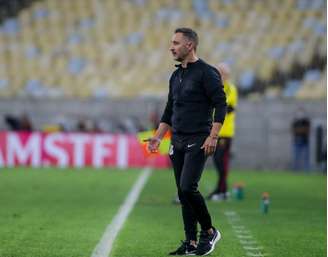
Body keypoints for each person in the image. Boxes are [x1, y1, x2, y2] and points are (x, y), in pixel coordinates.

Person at [145, 28, 226, 256]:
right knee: (183, 194)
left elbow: (221, 105)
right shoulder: (176, 75)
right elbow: (170, 110)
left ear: (190, 45)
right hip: (177, 140)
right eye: (171, 43)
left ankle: (209, 232)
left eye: (176, 43)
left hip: (198, 138)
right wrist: (158, 136)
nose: (171, 47)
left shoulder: (207, 73)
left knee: (187, 187)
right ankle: (190, 242)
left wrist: (213, 135)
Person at [207, 63, 238, 201]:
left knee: (220, 160)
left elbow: (226, 106)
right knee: (218, 160)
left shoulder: (230, 88)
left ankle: (222, 190)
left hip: (225, 132)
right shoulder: (215, 87)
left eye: (221, 73)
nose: (219, 76)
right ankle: (221, 189)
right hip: (216, 131)